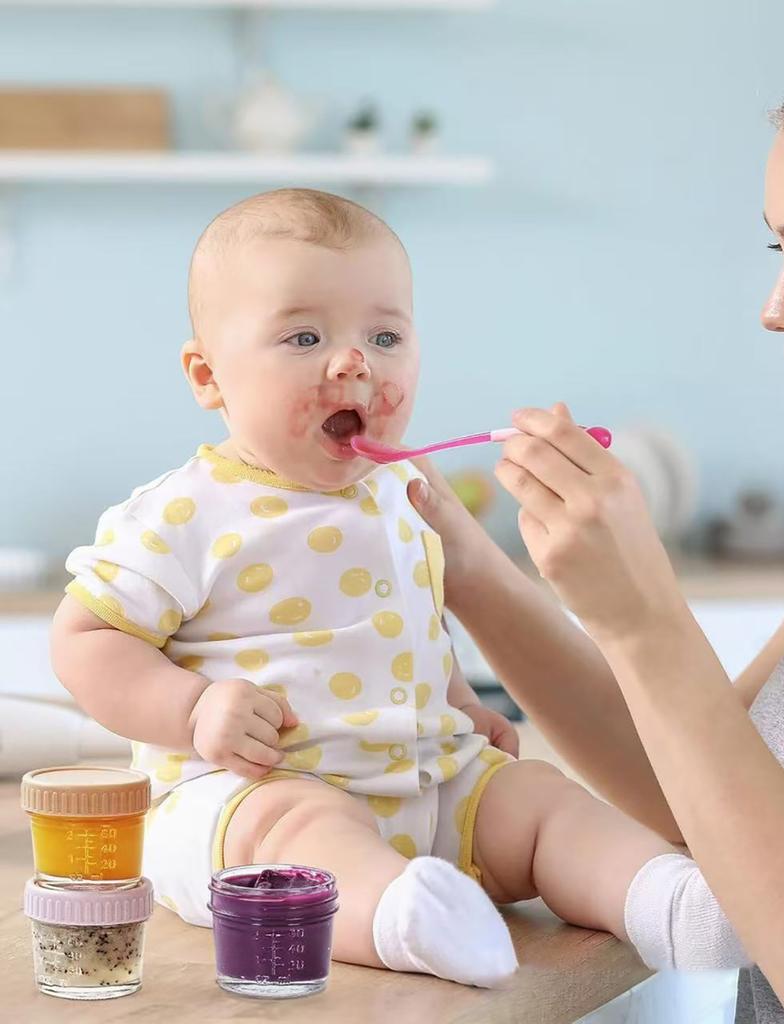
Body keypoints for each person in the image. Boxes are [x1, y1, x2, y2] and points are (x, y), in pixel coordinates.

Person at [405, 17, 784, 1022]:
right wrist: (466, 565)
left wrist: (644, 619)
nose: (776, 307)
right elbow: (697, 801)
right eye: (778, 256)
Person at [49, 187, 744, 990]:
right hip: (258, 790)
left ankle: (666, 901)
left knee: (538, 800)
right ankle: (402, 919)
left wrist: (459, 702)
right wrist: (192, 709)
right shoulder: (184, 512)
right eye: (304, 336)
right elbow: (84, 641)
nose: (355, 362)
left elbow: (407, 622)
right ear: (208, 375)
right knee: (297, 831)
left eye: (385, 335)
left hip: (430, 777)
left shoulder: (402, 491)